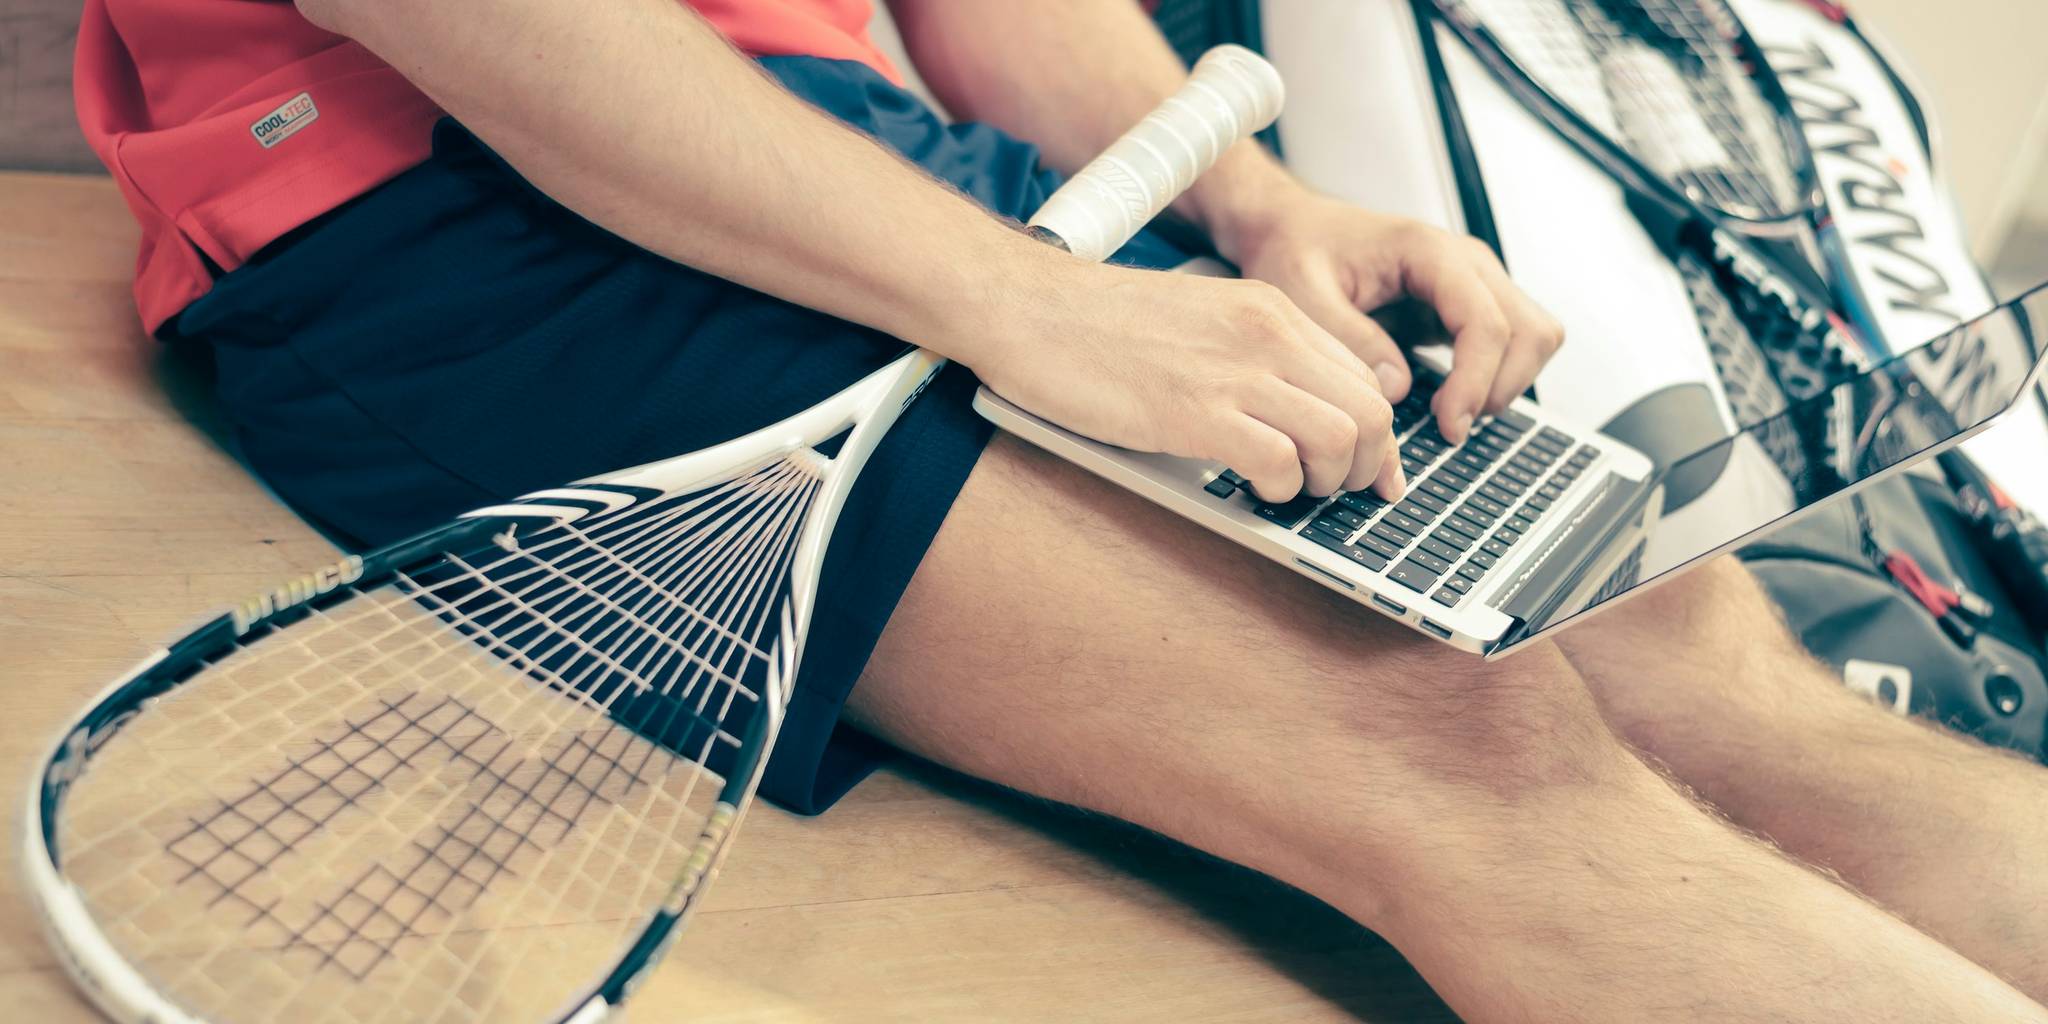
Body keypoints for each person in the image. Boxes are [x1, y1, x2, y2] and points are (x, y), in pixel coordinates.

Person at [74, 0, 2048, 1018]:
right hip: (411, 188)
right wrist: (1022, 304)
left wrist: (1249, 203)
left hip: (839, 130)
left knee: (1667, 630)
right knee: (1456, 734)